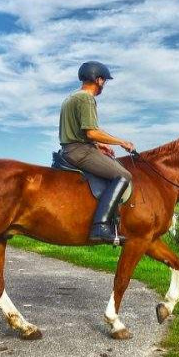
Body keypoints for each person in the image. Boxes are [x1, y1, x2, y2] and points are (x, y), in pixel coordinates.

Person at [59, 61, 135, 244]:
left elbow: (79, 132)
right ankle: (100, 226)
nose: (104, 86)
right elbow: (91, 131)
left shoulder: (71, 97)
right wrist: (121, 141)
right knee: (123, 175)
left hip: (71, 147)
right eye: (104, 81)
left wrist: (98, 145)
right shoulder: (86, 98)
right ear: (98, 79)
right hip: (79, 151)